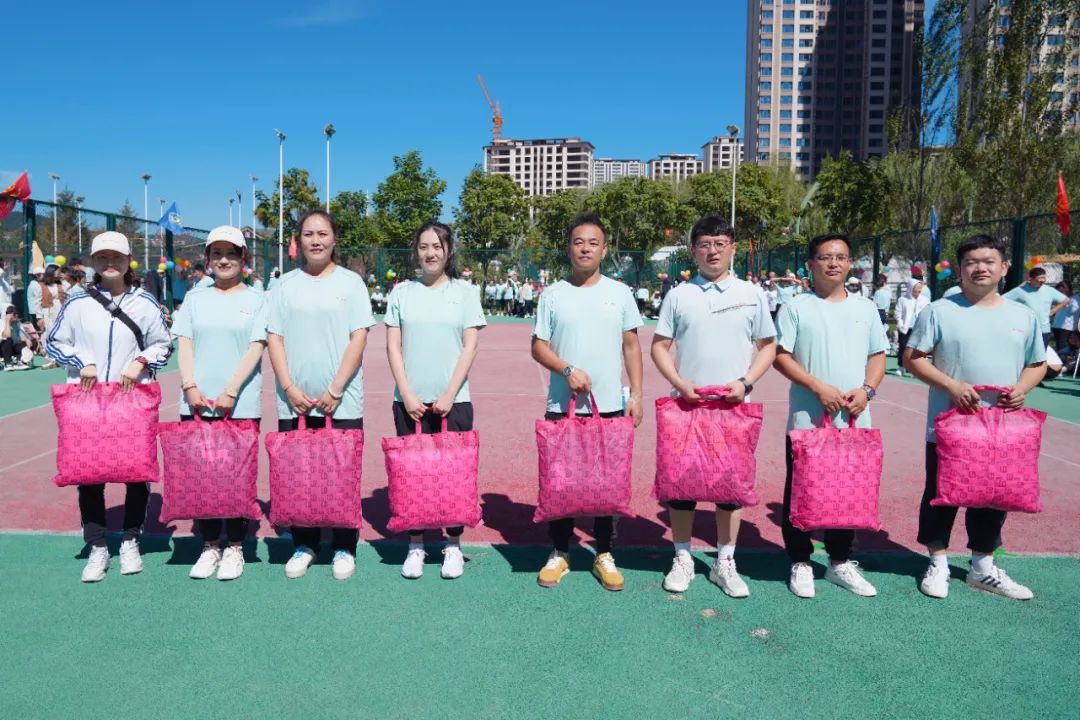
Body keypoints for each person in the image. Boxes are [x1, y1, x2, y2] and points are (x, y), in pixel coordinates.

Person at [904, 235, 1046, 600]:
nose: (980, 268)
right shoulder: (939, 311)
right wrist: (952, 386)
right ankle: (937, 563)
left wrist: (1022, 388)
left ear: (1004, 268)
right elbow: (913, 358)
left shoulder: (1022, 316)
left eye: (988, 261)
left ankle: (982, 567)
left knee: (994, 495)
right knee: (941, 493)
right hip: (950, 425)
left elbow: (1038, 363)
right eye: (972, 262)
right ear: (960, 269)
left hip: (1002, 428)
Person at [651, 216, 777, 597]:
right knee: (681, 487)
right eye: (705, 244)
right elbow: (659, 347)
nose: (713, 251)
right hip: (686, 406)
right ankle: (683, 557)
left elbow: (768, 346)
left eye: (720, 244)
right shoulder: (679, 295)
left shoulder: (751, 294)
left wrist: (746, 382)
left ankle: (725, 561)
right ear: (694, 250)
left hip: (733, 408)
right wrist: (680, 384)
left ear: (733, 249)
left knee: (730, 488)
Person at [45, 231, 173, 582]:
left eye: (116, 256)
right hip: (87, 399)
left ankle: (131, 539)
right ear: (93, 262)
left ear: (129, 259)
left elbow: (164, 345)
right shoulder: (77, 303)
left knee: (136, 471)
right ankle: (98, 545)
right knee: (88, 473)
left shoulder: (145, 303)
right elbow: (54, 342)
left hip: (132, 398)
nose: (109, 262)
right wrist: (81, 361)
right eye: (102, 257)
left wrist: (140, 362)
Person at [531, 212, 644, 591]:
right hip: (561, 406)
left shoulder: (620, 293)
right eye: (578, 242)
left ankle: (604, 552)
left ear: (604, 249)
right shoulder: (553, 295)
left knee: (607, 483)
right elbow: (538, 347)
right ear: (568, 248)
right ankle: (560, 551)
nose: (585, 248)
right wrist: (566, 369)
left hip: (609, 405)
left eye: (593, 243)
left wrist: (637, 394)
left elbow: (632, 346)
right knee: (560, 482)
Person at [772, 233, 888, 599]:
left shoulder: (866, 309)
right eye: (825, 257)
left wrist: (867, 390)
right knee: (801, 489)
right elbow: (780, 356)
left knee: (847, 490)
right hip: (808, 420)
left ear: (850, 263)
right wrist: (817, 387)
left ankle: (839, 562)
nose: (833, 263)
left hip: (854, 418)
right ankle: (800, 561)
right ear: (811, 264)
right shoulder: (795, 307)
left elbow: (878, 355)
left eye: (840, 257)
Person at [267, 210, 375, 581]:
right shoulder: (283, 285)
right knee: (299, 475)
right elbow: (274, 337)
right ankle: (305, 544)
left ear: (334, 239)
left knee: (340, 474)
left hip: (342, 400)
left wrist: (336, 388)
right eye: (309, 234)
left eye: (323, 234)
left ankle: (345, 545)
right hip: (293, 402)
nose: (316, 240)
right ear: (298, 241)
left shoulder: (351, 283)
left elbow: (359, 337)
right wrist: (289, 387)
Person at [385, 222, 486, 580]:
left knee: (453, 476)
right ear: (416, 251)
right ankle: (416, 545)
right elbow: (393, 347)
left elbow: (470, 346)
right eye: (424, 246)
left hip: (454, 401)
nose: (430, 253)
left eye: (437, 246)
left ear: (448, 251)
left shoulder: (465, 293)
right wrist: (407, 394)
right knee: (412, 476)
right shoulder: (401, 293)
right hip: (409, 402)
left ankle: (453, 545)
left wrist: (449, 394)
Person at [172, 226, 268, 581]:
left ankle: (236, 547)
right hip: (196, 403)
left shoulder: (258, 299)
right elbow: (185, 344)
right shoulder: (195, 298)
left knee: (237, 478)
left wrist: (231, 390)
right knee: (203, 478)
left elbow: (256, 346)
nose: (224, 260)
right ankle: (210, 545)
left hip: (240, 403)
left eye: (231, 253)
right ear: (208, 259)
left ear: (244, 258)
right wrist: (190, 386)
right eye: (217, 254)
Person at [1003, 267, 1068, 348]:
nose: (1043, 280)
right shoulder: (1020, 290)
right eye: (1040, 278)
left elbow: (1066, 300)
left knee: (1041, 355)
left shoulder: (1049, 290)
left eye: (1044, 278)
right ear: (1031, 278)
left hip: (1044, 330)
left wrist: (1053, 311)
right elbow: (1002, 300)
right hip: (1026, 330)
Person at [894, 279, 929, 376]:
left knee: (917, 349)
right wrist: (900, 324)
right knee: (903, 347)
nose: (918, 291)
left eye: (919, 289)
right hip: (905, 328)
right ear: (910, 288)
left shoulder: (925, 300)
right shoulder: (903, 299)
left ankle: (915, 368)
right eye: (916, 288)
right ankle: (901, 367)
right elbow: (898, 313)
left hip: (918, 329)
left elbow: (927, 313)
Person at [1050, 281, 1078, 353]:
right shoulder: (1062, 299)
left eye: (1060, 291)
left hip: (1067, 328)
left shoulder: (1076, 298)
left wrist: (1063, 304)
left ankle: (1064, 359)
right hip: (1057, 326)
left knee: (1064, 348)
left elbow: (1072, 310)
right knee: (1059, 347)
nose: (1059, 294)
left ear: (1066, 289)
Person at [2, 305, 32, 370]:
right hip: (2, 349)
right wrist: (7, 321)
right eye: (14, 314)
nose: (16, 315)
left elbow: (23, 337)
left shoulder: (17, 323)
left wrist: (26, 339)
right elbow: (7, 335)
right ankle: (7, 363)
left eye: (17, 313)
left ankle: (20, 361)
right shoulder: (2, 322)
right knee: (8, 341)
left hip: (12, 347)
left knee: (23, 343)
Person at [27, 266, 44, 332]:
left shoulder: (32, 284)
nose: (44, 276)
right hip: (36, 310)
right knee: (39, 328)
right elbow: (39, 296)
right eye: (42, 274)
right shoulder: (35, 285)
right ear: (37, 275)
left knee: (36, 328)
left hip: (34, 310)